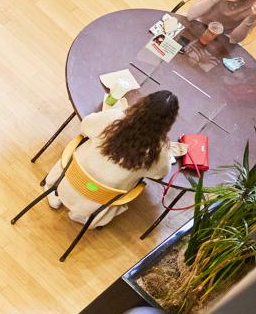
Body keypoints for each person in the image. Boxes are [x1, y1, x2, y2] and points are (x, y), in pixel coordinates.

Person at [42, 91, 182, 227]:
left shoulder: (113, 119)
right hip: (94, 205)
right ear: (168, 123)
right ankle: (79, 214)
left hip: (66, 180)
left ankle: (56, 196)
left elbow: (85, 125)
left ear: (142, 104)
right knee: (138, 182)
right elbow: (159, 174)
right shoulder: (159, 152)